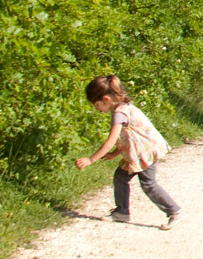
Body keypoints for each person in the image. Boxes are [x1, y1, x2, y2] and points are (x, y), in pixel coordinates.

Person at [76, 75, 182, 230]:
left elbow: (111, 139)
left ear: (105, 99)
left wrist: (91, 160)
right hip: (136, 152)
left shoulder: (119, 114)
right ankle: (121, 212)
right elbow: (130, 137)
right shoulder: (125, 107)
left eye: (96, 105)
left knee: (149, 184)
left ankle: (175, 211)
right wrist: (115, 153)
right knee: (121, 177)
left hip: (145, 153)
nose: (97, 109)